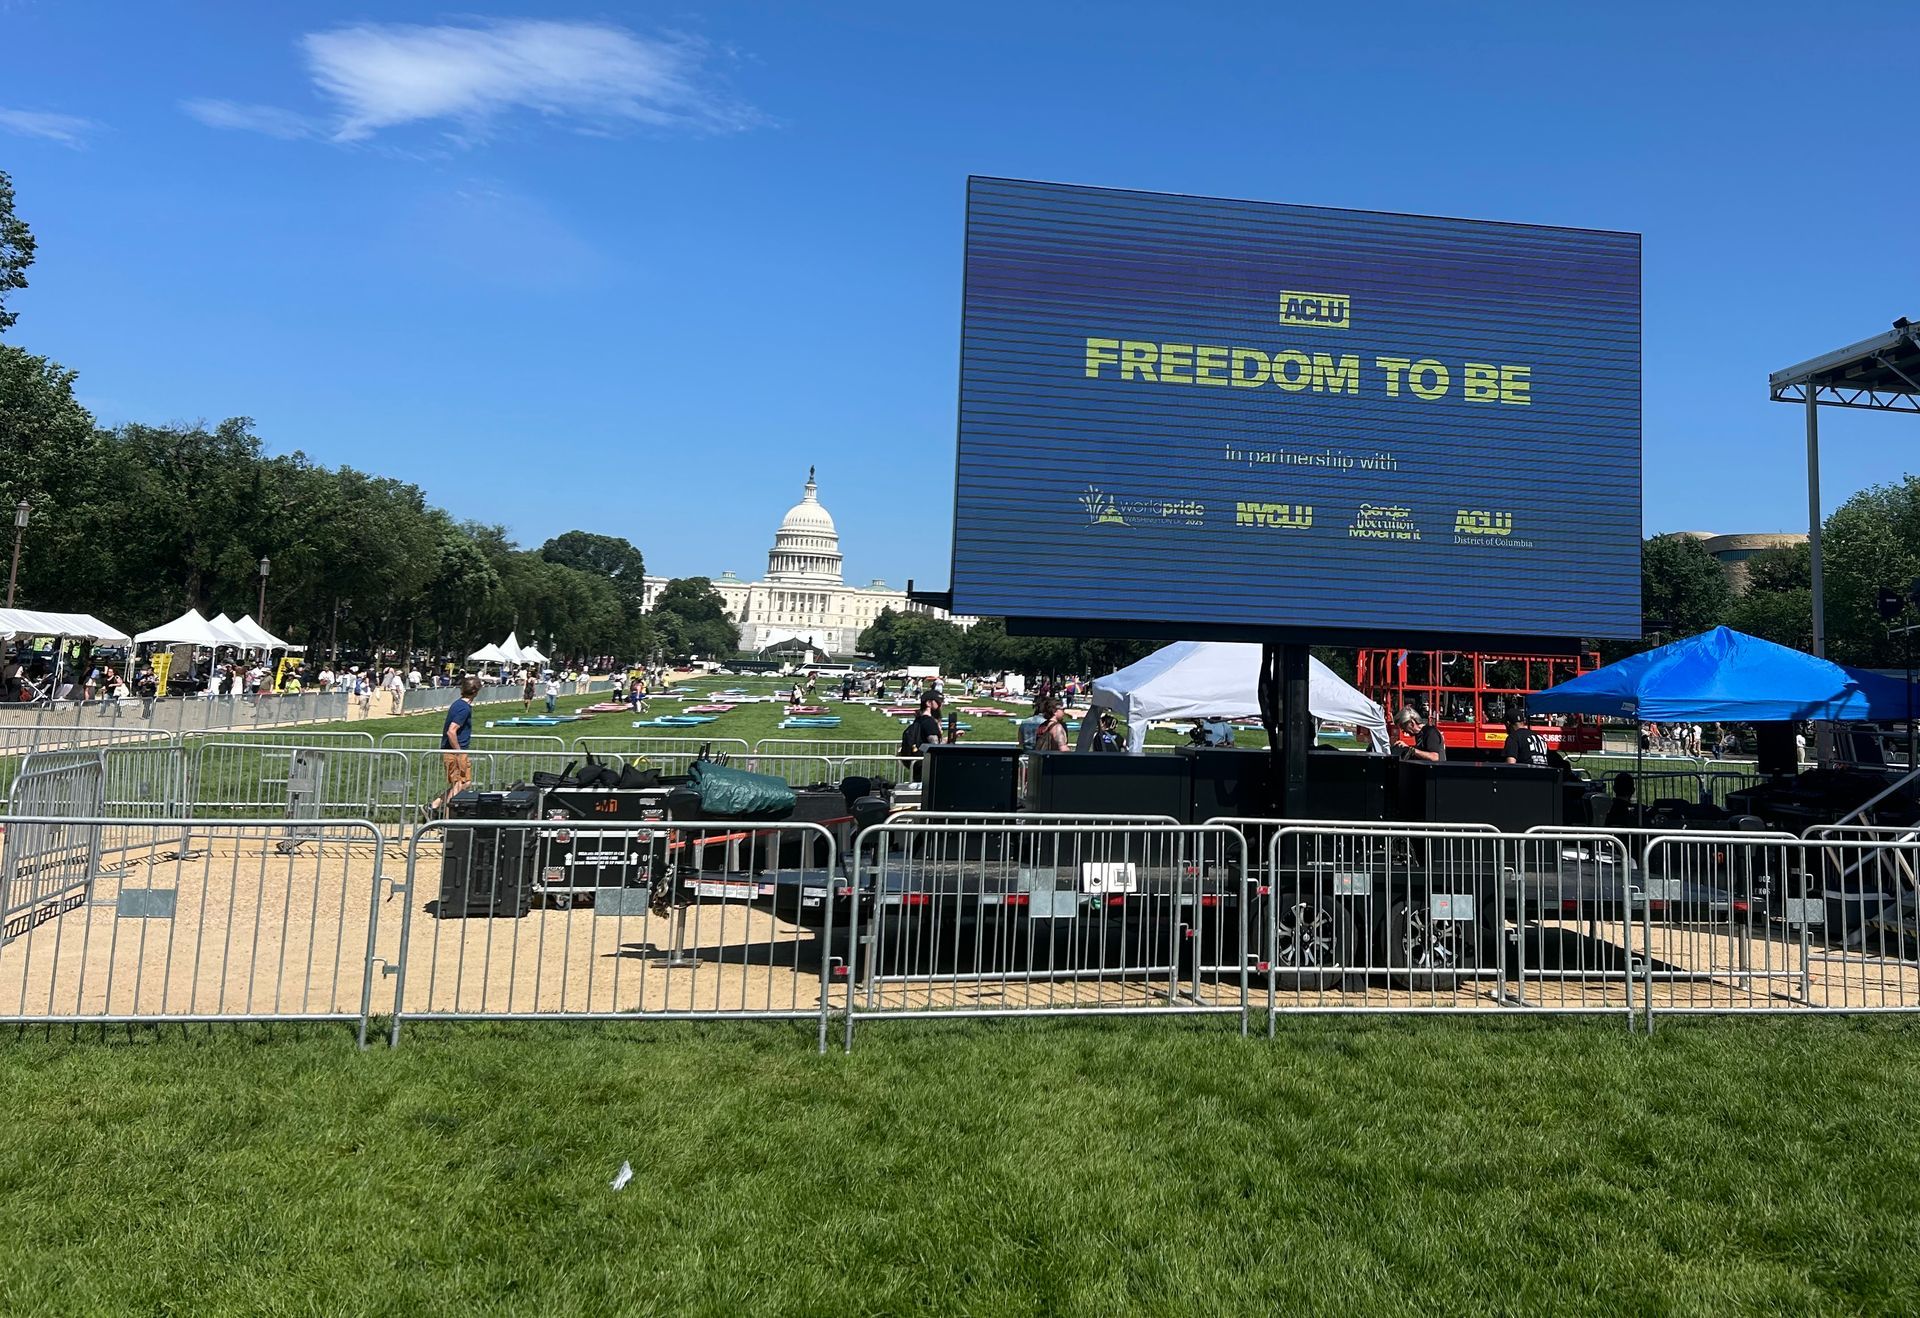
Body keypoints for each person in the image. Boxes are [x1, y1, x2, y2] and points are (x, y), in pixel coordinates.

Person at [430, 676, 480, 815]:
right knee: (459, 786)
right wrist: (459, 752)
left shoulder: (458, 704)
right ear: (475, 691)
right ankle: (447, 821)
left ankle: (434, 806)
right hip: (455, 752)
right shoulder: (463, 708)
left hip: (455, 751)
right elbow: (452, 731)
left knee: (463, 783)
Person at [899, 690, 945, 780]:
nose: (941, 704)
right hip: (926, 767)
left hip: (918, 765)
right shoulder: (929, 722)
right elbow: (935, 747)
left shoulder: (919, 719)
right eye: (939, 701)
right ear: (929, 703)